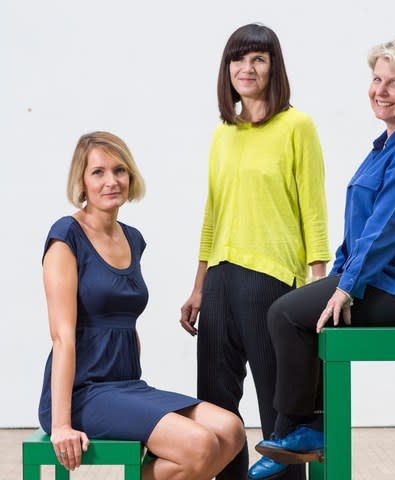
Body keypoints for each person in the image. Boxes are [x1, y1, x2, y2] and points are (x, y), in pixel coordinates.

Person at [252, 37, 395, 473]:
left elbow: (387, 227)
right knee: (303, 313)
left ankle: (299, 427)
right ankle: (307, 428)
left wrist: (346, 286)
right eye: (376, 79)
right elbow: (361, 226)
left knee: (286, 315)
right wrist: (340, 274)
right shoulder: (388, 142)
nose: (380, 90)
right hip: (388, 276)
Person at [38, 131, 245, 480]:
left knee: (231, 429)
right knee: (199, 445)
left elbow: (124, 319)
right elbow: (62, 337)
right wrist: (61, 424)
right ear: (82, 180)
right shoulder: (66, 237)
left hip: (126, 384)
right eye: (98, 172)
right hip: (84, 391)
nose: (111, 181)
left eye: (119, 170)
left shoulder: (132, 238)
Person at [180, 23, 331, 480]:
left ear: (273, 67)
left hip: (271, 282)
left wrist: (318, 286)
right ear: (227, 69)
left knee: (277, 410)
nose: (247, 68)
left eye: (258, 59)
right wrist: (198, 286)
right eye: (238, 59)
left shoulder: (296, 126)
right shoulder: (223, 134)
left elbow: (314, 210)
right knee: (216, 409)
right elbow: (213, 214)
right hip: (221, 281)